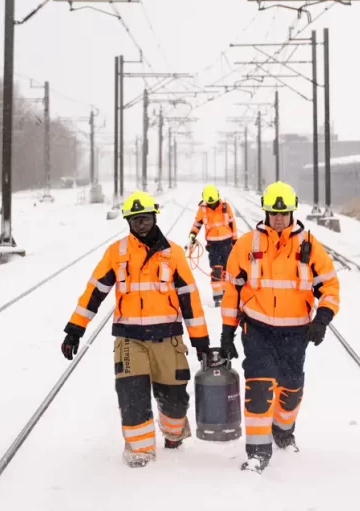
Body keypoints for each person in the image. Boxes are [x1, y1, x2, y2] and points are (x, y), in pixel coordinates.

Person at [61, 190, 211, 468]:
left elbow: (189, 299)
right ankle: (140, 451)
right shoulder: (116, 253)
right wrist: (75, 329)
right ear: (128, 222)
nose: (141, 224)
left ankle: (174, 433)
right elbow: (95, 292)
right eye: (135, 220)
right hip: (129, 340)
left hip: (168, 338)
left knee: (175, 398)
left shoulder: (174, 254)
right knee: (131, 395)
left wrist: (201, 342)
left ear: (155, 217)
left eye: (146, 219)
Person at [218, 180, 341, 473]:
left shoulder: (309, 245)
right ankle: (257, 453)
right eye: (273, 213)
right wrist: (227, 333)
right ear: (266, 212)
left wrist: (322, 319)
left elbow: (330, 286)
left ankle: (283, 432)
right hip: (257, 330)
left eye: (283, 213)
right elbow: (232, 290)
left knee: (291, 391)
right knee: (259, 389)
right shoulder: (247, 245)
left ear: (292, 212)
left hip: (296, 333)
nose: (278, 218)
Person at [187, 184, 238, 307]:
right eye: (210, 203)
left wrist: (235, 241)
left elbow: (232, 223)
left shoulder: (225, 206)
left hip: (227, 243)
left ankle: (228, 294)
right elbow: (197, 224)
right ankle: (218, 297)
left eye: (213, 202)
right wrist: (192, 235)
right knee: (216, 271)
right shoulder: (202, 209)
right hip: (213, 246)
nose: (212, 204)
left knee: (228, 270)